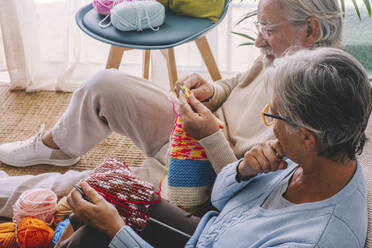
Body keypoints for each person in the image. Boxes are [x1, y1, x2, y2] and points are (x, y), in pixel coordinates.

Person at [0, 0, 343, 217]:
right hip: (200, 127)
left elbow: (249, 190)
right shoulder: (280, 53)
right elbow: (241, 80)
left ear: (310, 30)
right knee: (106, 84)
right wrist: (213, 90)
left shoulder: (315, 106)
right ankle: (57, 145)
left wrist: (209, 136)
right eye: (259, 26)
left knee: (83, 189)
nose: (257, 40)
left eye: (267, 29)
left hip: (203, 174)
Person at [59, 47, 372, 247]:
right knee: (98, 197)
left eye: (273, 114)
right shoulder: (310, 158)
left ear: (307, 136)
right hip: (206, 234)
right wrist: (243, 170)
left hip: (206, 238)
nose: (270, 126)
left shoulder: (314, 240)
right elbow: (220, 201)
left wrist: (118, 231)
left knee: (97, 233)